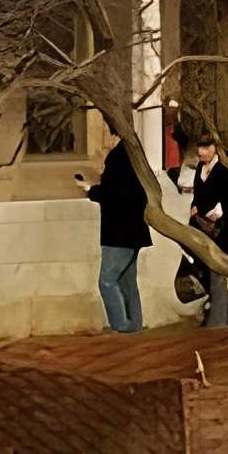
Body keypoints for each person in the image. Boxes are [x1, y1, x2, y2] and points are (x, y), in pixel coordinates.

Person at [185, 135, 228, 329]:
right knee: (210, 276)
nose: (201, 152)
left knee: (218, 274)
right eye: (200, 147)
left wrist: (226, 208)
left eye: (206, 147)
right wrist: (195, 206)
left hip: (222, 230)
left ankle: (217, 324)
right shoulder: (200, 167)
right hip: (201, 227)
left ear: (215, 147)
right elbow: (198, 193)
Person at [86, 140, 150, 333]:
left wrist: (92, 191)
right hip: (133, 231)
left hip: (118, 232)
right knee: (127, 281)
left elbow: (113, 192)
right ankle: (134, 323)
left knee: (107, 280)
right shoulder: (133, 154)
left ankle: (121, 325)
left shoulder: (119, 157)